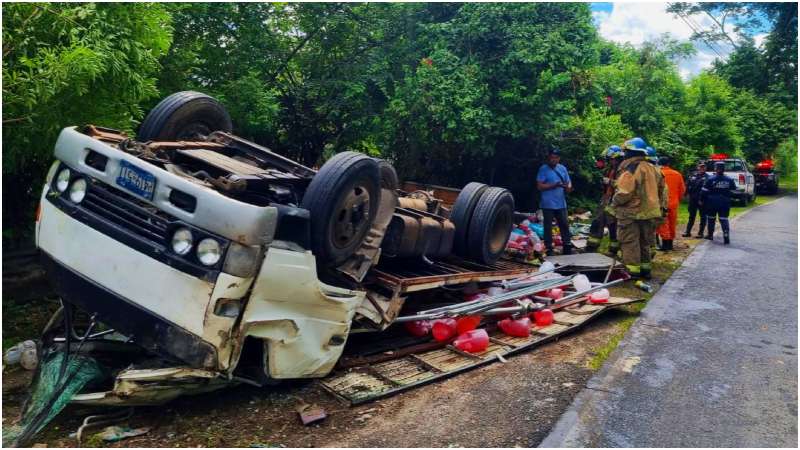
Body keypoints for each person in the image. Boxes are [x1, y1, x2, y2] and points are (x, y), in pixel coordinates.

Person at [611, 137, 668, 279]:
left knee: (630, 241)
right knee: (645, 242)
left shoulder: (631, 168)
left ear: (631, 152)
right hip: (649, 212)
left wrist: (615, 202)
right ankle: (645, 270)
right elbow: (662, 190)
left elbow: (624, 192)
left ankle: (632, 271)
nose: (624, 154)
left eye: (626, 151)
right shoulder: (654, 168)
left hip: (631, 212)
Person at [536, 147, 573, 256]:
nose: (553, 160)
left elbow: (568, 183)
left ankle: (567, 246)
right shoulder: (543, 169)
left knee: (564, 225)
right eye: (552, 158)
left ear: (559, 158)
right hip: (547, 204)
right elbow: (539, 186)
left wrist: (568, 187)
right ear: (548, 158)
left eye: (556, 158)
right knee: (548, 227)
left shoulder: (563, 169)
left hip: (561, 203)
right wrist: (554, 185)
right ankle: (549, 248)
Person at [587, 145, 623, 254]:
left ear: (617, 158)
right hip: (606, 198)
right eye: (609, 159)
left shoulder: (623, 169)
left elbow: (624, 186)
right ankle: (592, 247)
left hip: (616, 200)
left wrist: (610, 182)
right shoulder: (609, 168)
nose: (610, 161)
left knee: (613, 225)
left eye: (611, 159)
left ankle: (613, 249)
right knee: (598, 221)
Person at [702, 161, 736, 244]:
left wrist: (701, 200)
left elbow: (704, 191)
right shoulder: (729, 179)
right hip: (725, 202)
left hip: (712, 202)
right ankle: (726, 236)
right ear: (724, 169)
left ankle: (710, 235)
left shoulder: (710, 179)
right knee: (724, 219)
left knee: (711, 219)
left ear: (715, 168)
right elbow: (734, 190)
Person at [656, 156, 686, 251]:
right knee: (672, 222)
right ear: (668, 164)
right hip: (674, 203)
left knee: (663, 223)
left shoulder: (658, 174)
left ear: (659, 164)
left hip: (661, 203)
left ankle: (666, 245)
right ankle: (670, 243)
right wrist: (678, 199)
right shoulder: (677, 174)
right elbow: (682, 190)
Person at [683, 162, 710, 237]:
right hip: (693, 199)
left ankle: (700, 233)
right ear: (698, 167)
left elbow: (708, 189)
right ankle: (687, 231)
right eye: (701, 167)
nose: (702, 168)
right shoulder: (693, 176)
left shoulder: (708, 177)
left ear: (706, 168)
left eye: (704, 167)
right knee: (691, 215)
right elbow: (687, 185)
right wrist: (685, 194)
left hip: (702, 199)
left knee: (703, 216)